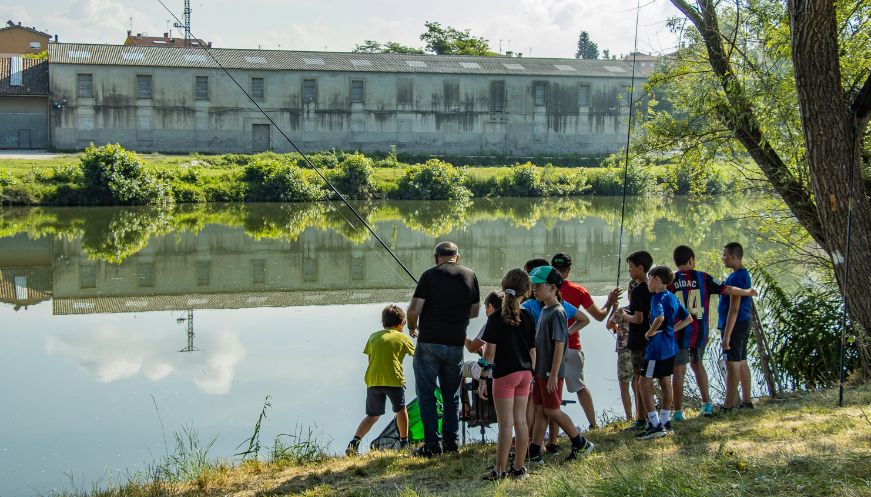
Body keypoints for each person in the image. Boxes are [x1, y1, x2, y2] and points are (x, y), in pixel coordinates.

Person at [668, 245, 759, 420]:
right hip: (699, 331)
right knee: (698, 364)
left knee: (678, 370)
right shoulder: (703, 277)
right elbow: (726, 289)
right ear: (692, 260)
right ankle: (707, 404)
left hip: (678, 332)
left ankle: (677, 411)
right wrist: (748, 292)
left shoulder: (670, 280)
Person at [407, 241, 480, 457]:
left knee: (426, 393)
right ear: (457, 257)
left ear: (436, 257)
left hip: (429, 342)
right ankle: (451, 441)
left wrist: (412, 328)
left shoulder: (429, 275)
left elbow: (414, 310)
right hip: (456, 343)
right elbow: (475, 311)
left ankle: (432, 444)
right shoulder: (470, 275)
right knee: (452, 395)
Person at [527, 265, 594, 463]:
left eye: (539, 286)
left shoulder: (557, 312)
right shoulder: (545, 309)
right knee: (540, 409)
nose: (535, 290)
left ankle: (580, 443)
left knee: (552, 410)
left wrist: (554, 374)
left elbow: (559, 345)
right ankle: (535, 449)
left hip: (550, 371)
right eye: (534, 286)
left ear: (553, 288)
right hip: (541, 370)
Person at [478, 269, 537, 480]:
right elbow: (532, 351)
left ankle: (500, 470)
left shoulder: (495, 318)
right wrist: (532, 375)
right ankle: (519, 468)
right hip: (524, 373)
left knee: (505, 424)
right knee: (521, 422)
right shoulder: (528, 316)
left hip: (505, 375)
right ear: (526, 292)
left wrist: (483, 378)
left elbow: (490, 354)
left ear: (503, 286)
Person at [550, 253, 620, 431]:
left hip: (548, 349)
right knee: (580, 387)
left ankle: (551, 435)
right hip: (572, 347)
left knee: (550, 392)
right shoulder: (578, 290)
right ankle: (593, 424)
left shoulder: (542, 289)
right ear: (568, 270)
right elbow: (599, 316)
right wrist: (610, 302)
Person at [346, 305, 415, 456]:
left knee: (372, 415)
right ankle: (404, 442)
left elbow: (370, 359)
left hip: (373, 380)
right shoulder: (403, 337)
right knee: (401, 411)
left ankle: (354, 443)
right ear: (401, 323)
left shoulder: (373, 336)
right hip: (394, 380)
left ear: (383, 323)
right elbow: (418, 356)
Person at [637, 266, 693, 440]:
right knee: (665, 381)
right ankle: (665, 420)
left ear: (658, 280)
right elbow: (688, 318)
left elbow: (659, 318)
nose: (647, 282)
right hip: (670, 345)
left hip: (657, 348)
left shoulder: (657, 298)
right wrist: (671, 330)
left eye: (649, 279)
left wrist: (650, 332)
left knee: (643, 384)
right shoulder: (672, 297)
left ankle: (654, 424)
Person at [614, 250, 654, 431]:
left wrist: (623, 315)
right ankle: (651, 415)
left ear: (640, 268)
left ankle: (640, 418)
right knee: (648, 379)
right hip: (653, 340)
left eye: (631, 267)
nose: (629, 270)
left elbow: (638, 318)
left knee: (639, 380)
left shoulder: (638, 290)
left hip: (638, 340)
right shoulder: (655, 289)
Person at [718, 242, 757, 411]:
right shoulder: (741, 274)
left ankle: (728, 405)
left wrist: (727, 336)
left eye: (725, 255)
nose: (723, 258)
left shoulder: (737, 277)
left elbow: (734, 308)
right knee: (741, 361)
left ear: (735, 257)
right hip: (743, 322)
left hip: (735, 324)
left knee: (732, 363)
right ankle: (746, 401)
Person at [606, 278, 638, 420]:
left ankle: (629, 416)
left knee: (624, 385)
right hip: (639, 351)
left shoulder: (622, 311)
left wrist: (616, 325)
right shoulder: (646, 310)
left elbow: (608, 324)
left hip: (624, 351)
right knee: (637, 384)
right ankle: (641, 415)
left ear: (629, 294)